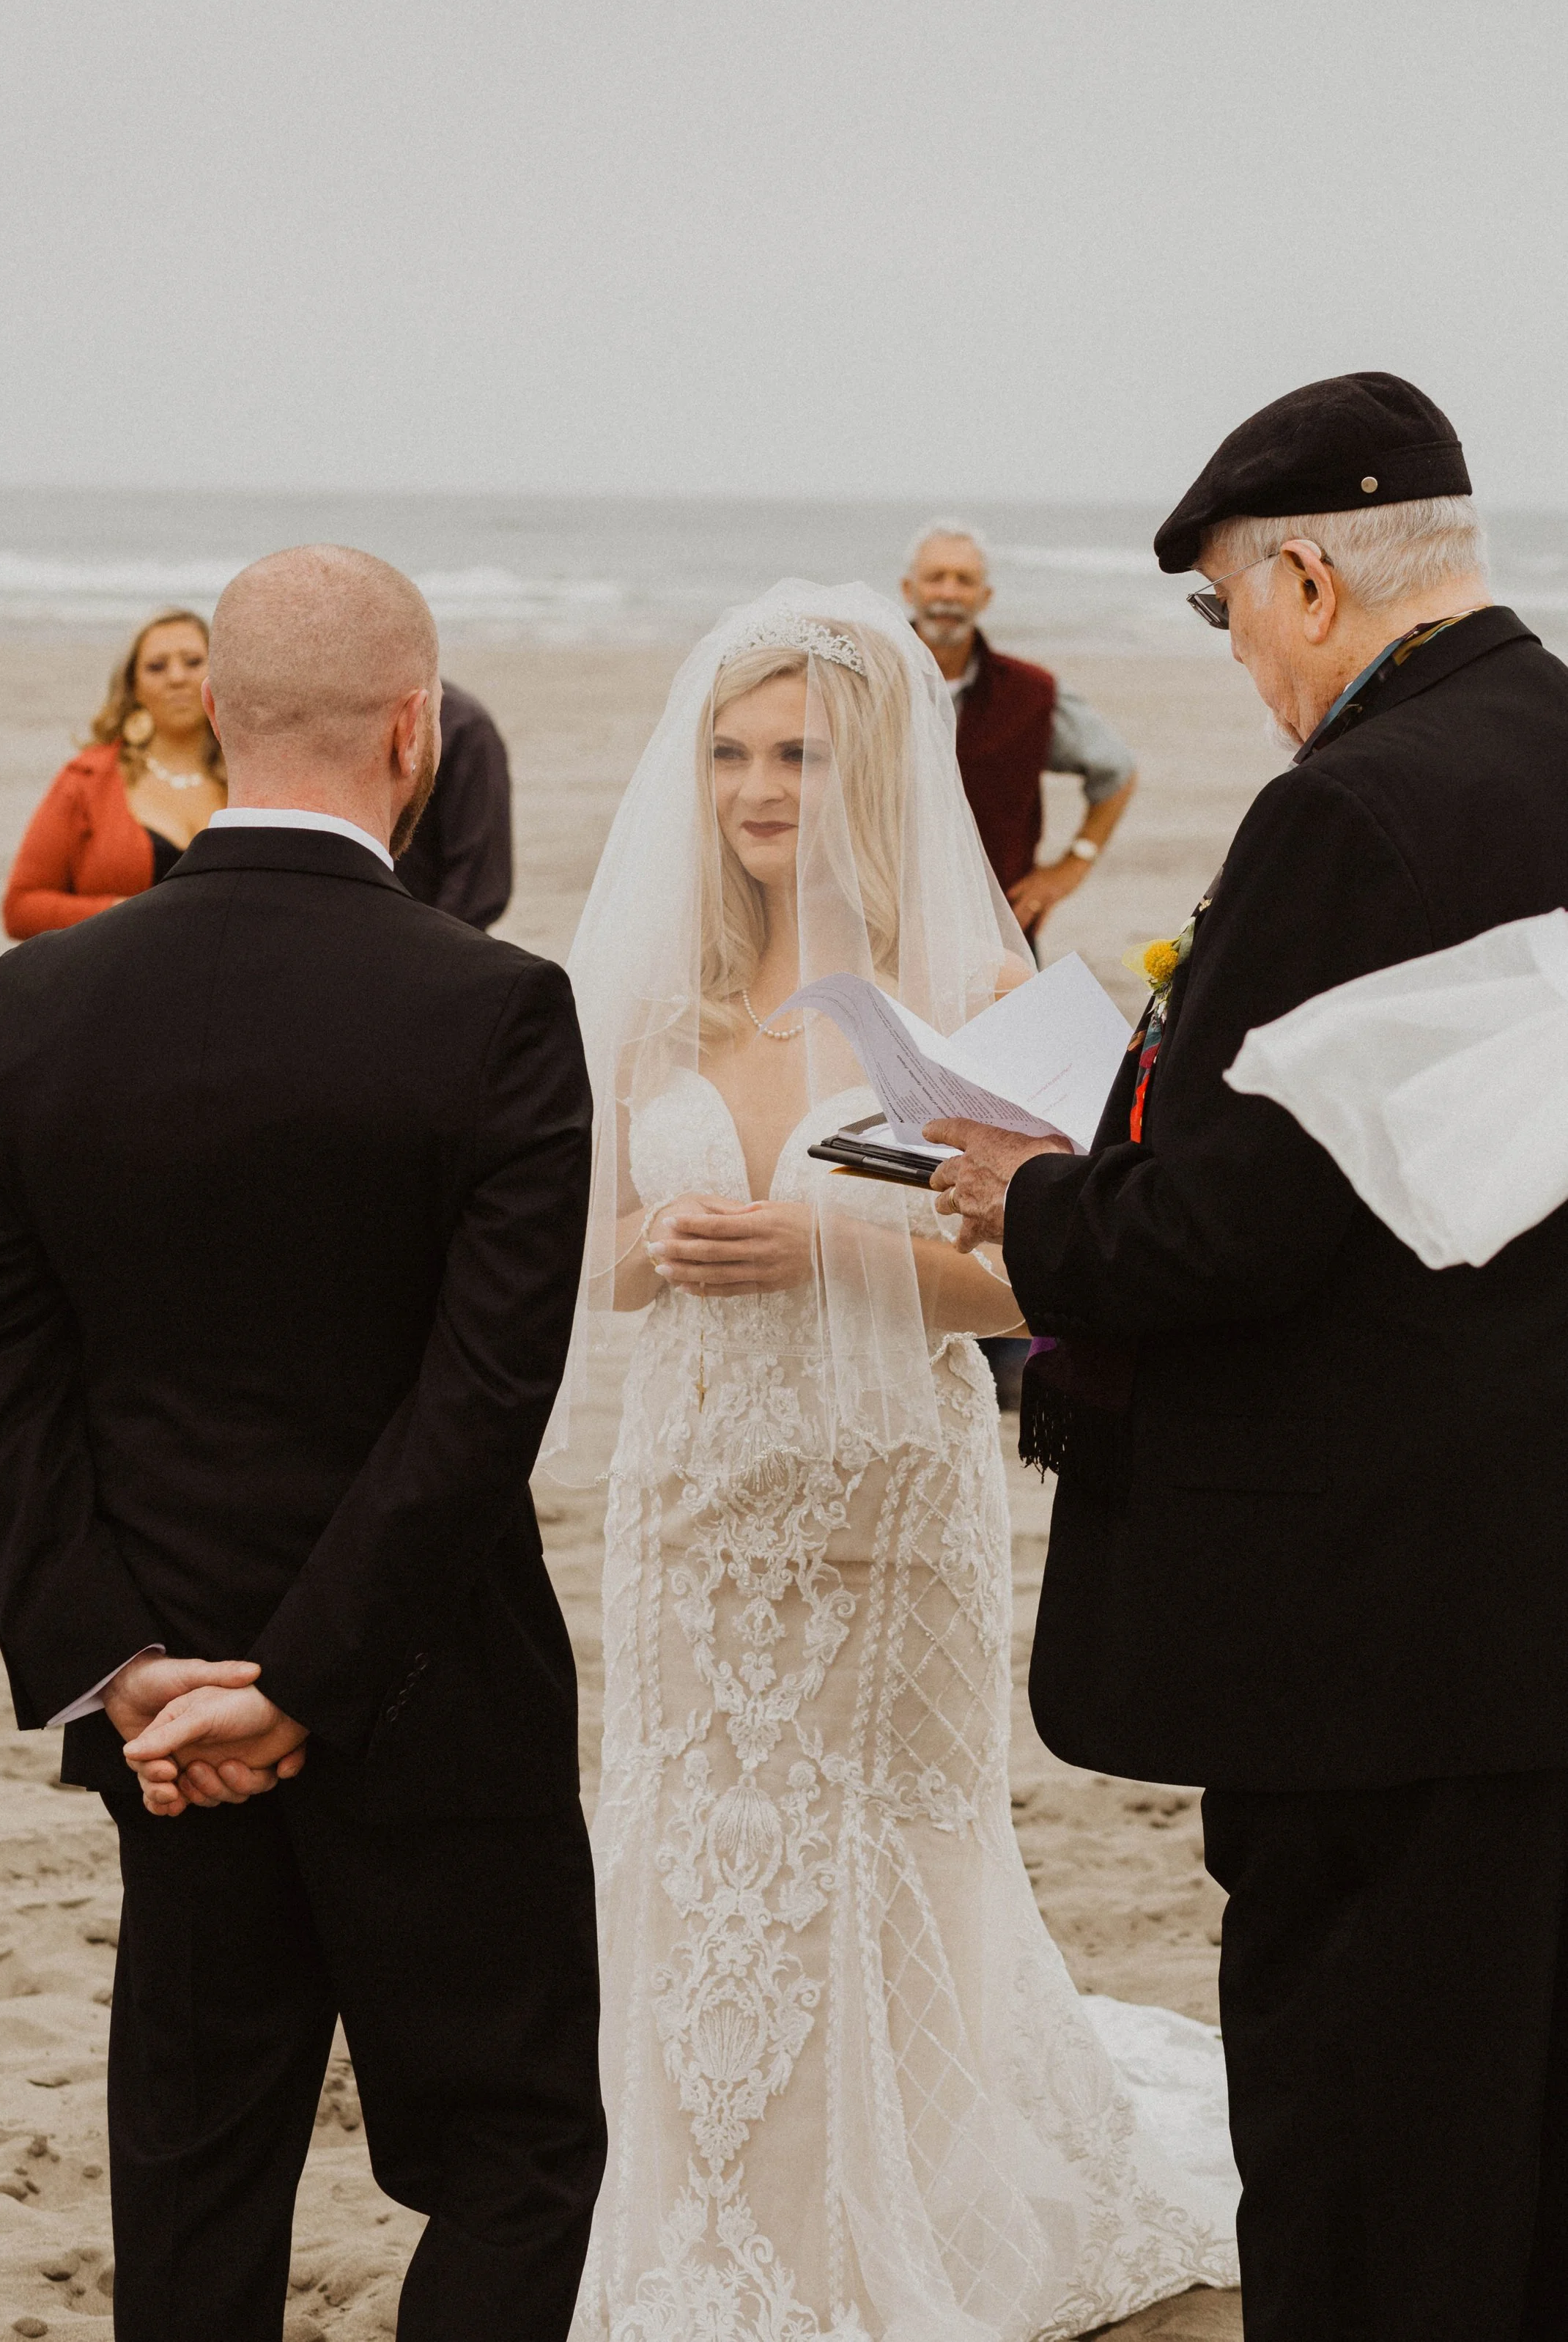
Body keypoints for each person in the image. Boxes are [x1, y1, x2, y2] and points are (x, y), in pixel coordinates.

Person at [927, 372, 1568, 2340]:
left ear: (1303, 573)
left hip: (1363, 1615)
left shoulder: (1352, 809)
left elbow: (1222, 1228)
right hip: (1530, 1559)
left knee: (1351, 2120)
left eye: (1220, 611)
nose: (1234, 661)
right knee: (1514, 2107)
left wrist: (1020, 1197)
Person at [0, 546, 606, 2342]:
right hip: (429, 1689)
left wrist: (124, 1658)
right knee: (515, 2150)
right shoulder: (496, 1007)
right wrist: (300, 1677)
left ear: (213, 712)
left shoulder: (41, 1001)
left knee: (200, 2162)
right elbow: (482, 1399)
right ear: (415, 729)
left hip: (165, 1717)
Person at [547, 581, 1237, 2341]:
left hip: (888, 1496)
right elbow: (600, 1262)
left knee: (890, 1849)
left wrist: (832, 1247)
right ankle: (711, 2203)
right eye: (730, 750)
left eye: (796, 751)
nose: (759, 786)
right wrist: (680, 1243)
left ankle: (908, 2198)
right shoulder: (661, 999)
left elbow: (1041, 1270)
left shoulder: (980, 983)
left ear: (871, 769)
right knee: (698, 1842)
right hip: (695, 1494)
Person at [901, 525, 1136, 937]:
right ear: (909, 589)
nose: (949, 593)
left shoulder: (1032, 693)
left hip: (997, 932)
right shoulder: (863, 682)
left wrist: (1072, 867)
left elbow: (1117, 771)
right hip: (886, 929)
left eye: (965, 580)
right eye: (935, 577)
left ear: (985, 597)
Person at [3, 608, 225, 937]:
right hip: (118, 978)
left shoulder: (253, 771)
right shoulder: (87, 779)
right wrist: (122, 914)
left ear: (221, 675)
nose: (177, 677)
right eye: (156, 666)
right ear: (133, 686)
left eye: (193, 662)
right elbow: (20, 909)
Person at [393, 679, 513, 927]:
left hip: (428, 946)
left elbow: (479, 881)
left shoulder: (464, 728)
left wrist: (426, 949)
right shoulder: (320, 715)